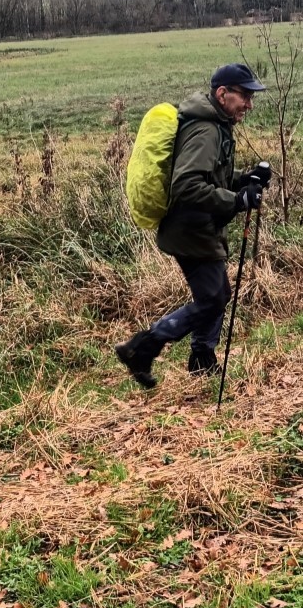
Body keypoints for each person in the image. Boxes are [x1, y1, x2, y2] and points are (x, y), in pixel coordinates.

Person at [116, 63, 270, 389]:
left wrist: (246, 179)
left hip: (199, 227)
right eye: (244, 95)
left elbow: (213, 178)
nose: (249, 104)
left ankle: (201, 360)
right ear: (222, 94)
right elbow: (187, 186)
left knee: (217, 294)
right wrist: (237, 201)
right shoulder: (207, 130)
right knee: (213, 298)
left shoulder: (216, 124)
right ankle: (142, 348)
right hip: (190, 230)